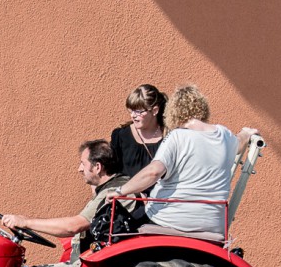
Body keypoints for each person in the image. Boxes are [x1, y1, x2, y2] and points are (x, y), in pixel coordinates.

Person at [0, 139, 130, 267]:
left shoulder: (113, 192)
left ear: (97, 167)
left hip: (99, 266)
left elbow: (74, 226)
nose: (79, 169)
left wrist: (26, 222)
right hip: (89, 260)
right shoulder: (105, 191)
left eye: (82, 163)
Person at [107, 85, 257, 237]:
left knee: (117, 230)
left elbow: (154, 172)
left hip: (169, 219)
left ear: (174, 111)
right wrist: (247, 132)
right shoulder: (224, 134)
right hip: (213, 223)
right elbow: (239, 142)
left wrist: (120, 191)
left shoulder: (177, 136)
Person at [110, 84, 167, 178]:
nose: (133, 115)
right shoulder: (121, 136)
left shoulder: (170, 136)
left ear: (154, 111)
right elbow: (111, 173)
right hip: (129, 191)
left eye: (138, 111)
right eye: (131, 110)